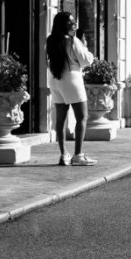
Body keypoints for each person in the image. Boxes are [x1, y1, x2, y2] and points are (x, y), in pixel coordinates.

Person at [45, 11, 96, 166]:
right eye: (71, 22)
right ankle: (78, 155)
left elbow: (48, 61)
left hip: (54, 79)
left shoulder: (50, 40)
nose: (74, 25)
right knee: (82, 117)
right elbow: (86, 60)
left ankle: (63, 154)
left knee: (61, 118)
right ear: (63, 24)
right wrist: (84, 45)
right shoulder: (73, 41)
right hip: (72, 79)